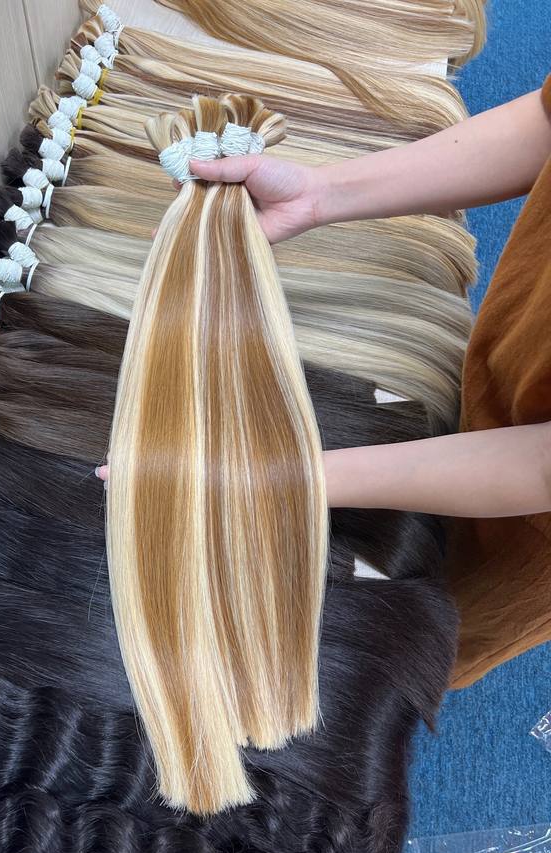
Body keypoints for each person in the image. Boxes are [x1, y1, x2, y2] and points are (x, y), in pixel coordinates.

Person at [97, 76, 551, 686]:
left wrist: (286, 477)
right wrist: (319, 193)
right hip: (521, 368)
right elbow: (546, 122)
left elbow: (542, 468)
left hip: (531, 520)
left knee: (427, 627)